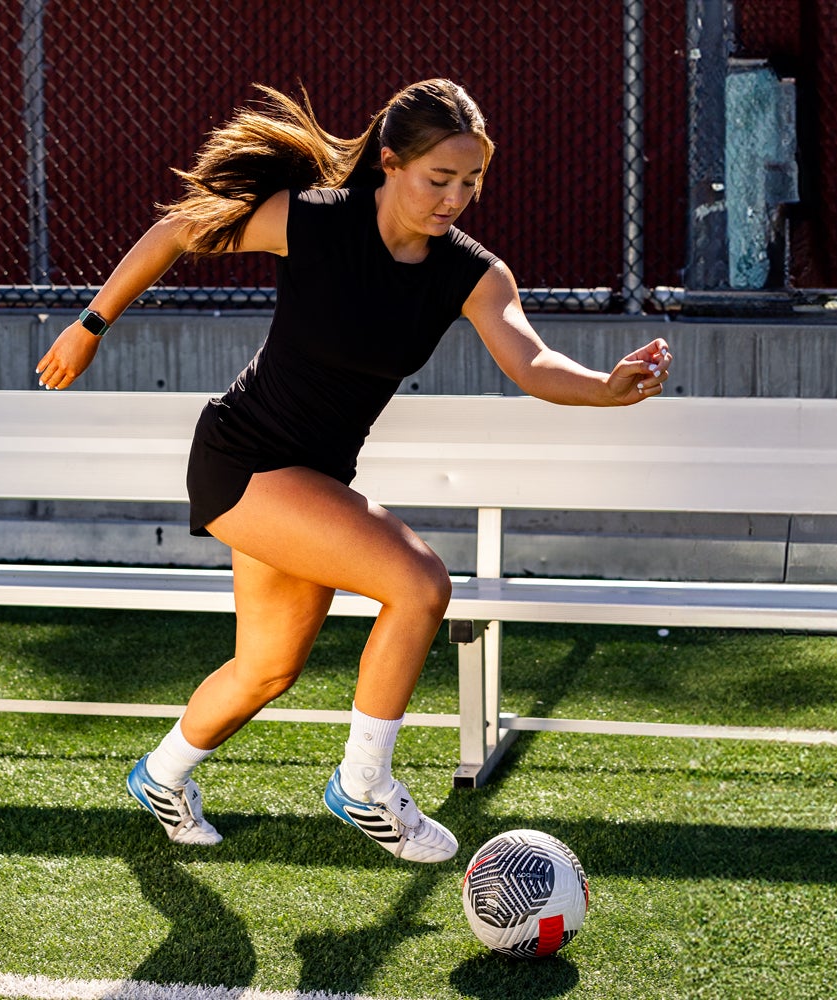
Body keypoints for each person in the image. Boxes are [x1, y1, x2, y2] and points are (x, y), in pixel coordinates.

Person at [35, 79, 671, 863]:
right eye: (440, 180)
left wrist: (605, 390)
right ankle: (364, 784)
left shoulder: (470, 273)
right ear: (391, 163)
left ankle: (162, 775)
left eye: (471, 183)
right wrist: (90, 325)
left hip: (311, 479)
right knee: (420, 583)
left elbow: (530, 360)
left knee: (267, 667)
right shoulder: (315, 224)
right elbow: (179, 230)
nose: (455, 199)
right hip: (244, 457)